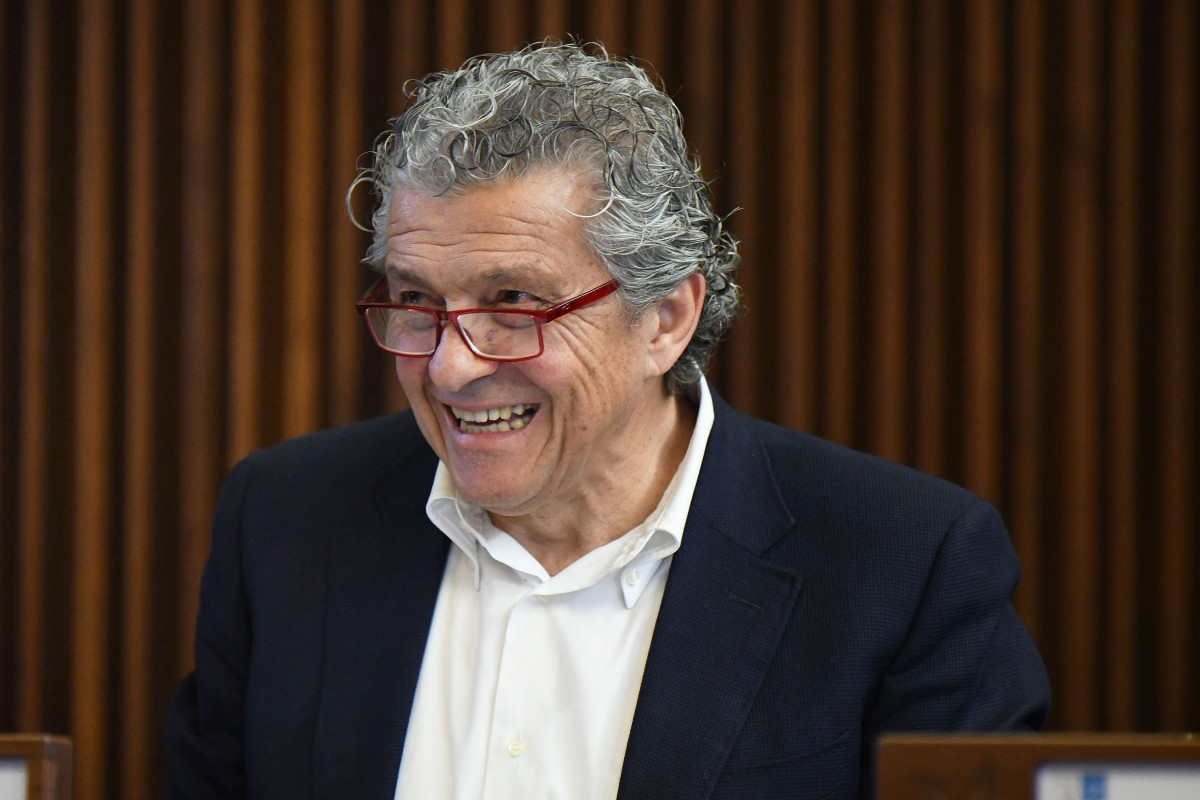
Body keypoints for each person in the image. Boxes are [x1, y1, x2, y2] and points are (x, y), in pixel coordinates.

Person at [162, 41, 1049, 800]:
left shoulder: (903, 567)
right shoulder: (285, 519)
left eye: (514, 303)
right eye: (417, 300)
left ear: (665, 318)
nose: (449, 366)